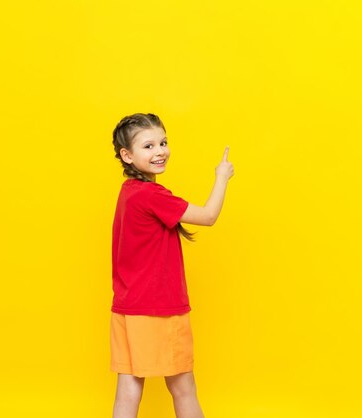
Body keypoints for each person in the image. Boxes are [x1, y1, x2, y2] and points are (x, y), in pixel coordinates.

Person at [110, 112, 234, 418]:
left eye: (163, 142)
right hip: (159, 307)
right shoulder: (152, 195)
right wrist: (221, 176)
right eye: (148, 146)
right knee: (183, 387)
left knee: (128, 388)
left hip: (128, 307)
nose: (160, 151)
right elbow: (208, 216)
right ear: (127, 155)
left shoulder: (129, 193)